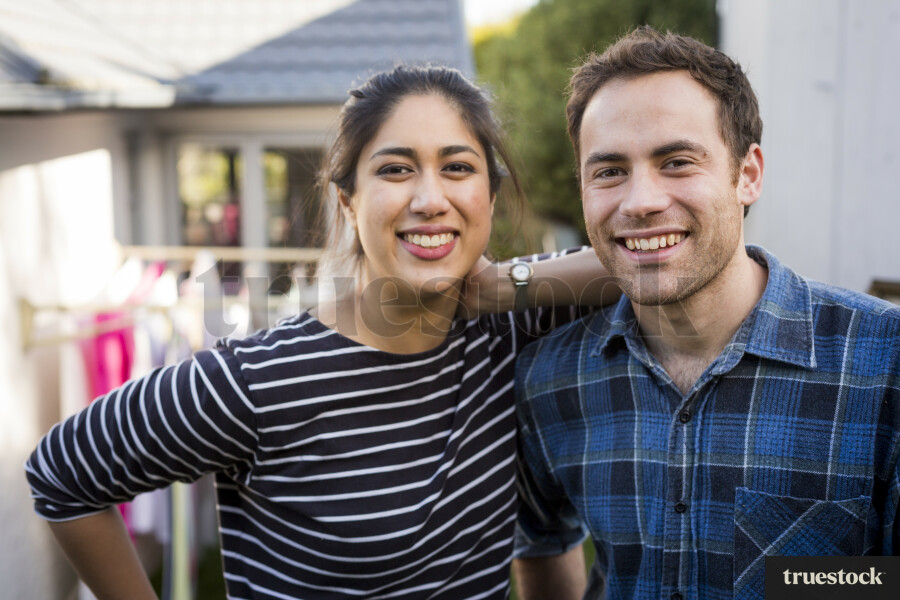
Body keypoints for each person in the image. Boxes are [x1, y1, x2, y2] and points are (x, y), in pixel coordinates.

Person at [25, 65, 618, 600]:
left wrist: (500, 289)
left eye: (458, 167)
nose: (431, 198)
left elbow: (636, 262)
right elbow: (62, 472)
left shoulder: (511, 327)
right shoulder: (258, 381)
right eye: (395, 169)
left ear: (488, 194)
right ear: (348, 203)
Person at [513, 26, 900, 600]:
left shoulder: (885, 363)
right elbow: (540, 541)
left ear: (748, 175)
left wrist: (792, 583)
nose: (640, 201)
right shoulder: (549, 380)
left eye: (676, 161)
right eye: (609, 171)